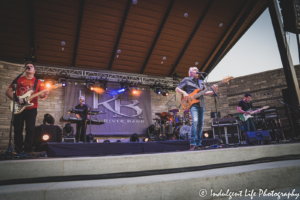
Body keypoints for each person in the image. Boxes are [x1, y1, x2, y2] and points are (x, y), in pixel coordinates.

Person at [5, 61, 49, 153]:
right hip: (18, 108)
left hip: (31, 109)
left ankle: (28, 150)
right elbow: (8, 92)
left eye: (31, 66)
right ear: (25, 69)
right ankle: (18, 150)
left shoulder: (39, 82)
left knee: (30, 129)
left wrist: (45, 94)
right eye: (27, 66)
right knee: (18, 129)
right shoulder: (18, 80)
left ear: (34, 70)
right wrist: (16, 99)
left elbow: (41, 97)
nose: (29, 67)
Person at [175, 67, 218, 150]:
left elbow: (205, 92)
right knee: (195, 121)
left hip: (201, 104)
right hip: (192, 105)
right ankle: (192, 142)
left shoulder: (201, 82)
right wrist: (184, 92)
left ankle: (199, 143)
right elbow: (177, 88)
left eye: (197, 70)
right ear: (190, 72)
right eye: (194, 70)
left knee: (201, 124)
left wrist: (213, 91)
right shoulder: (186, 80)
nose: (196, 71)